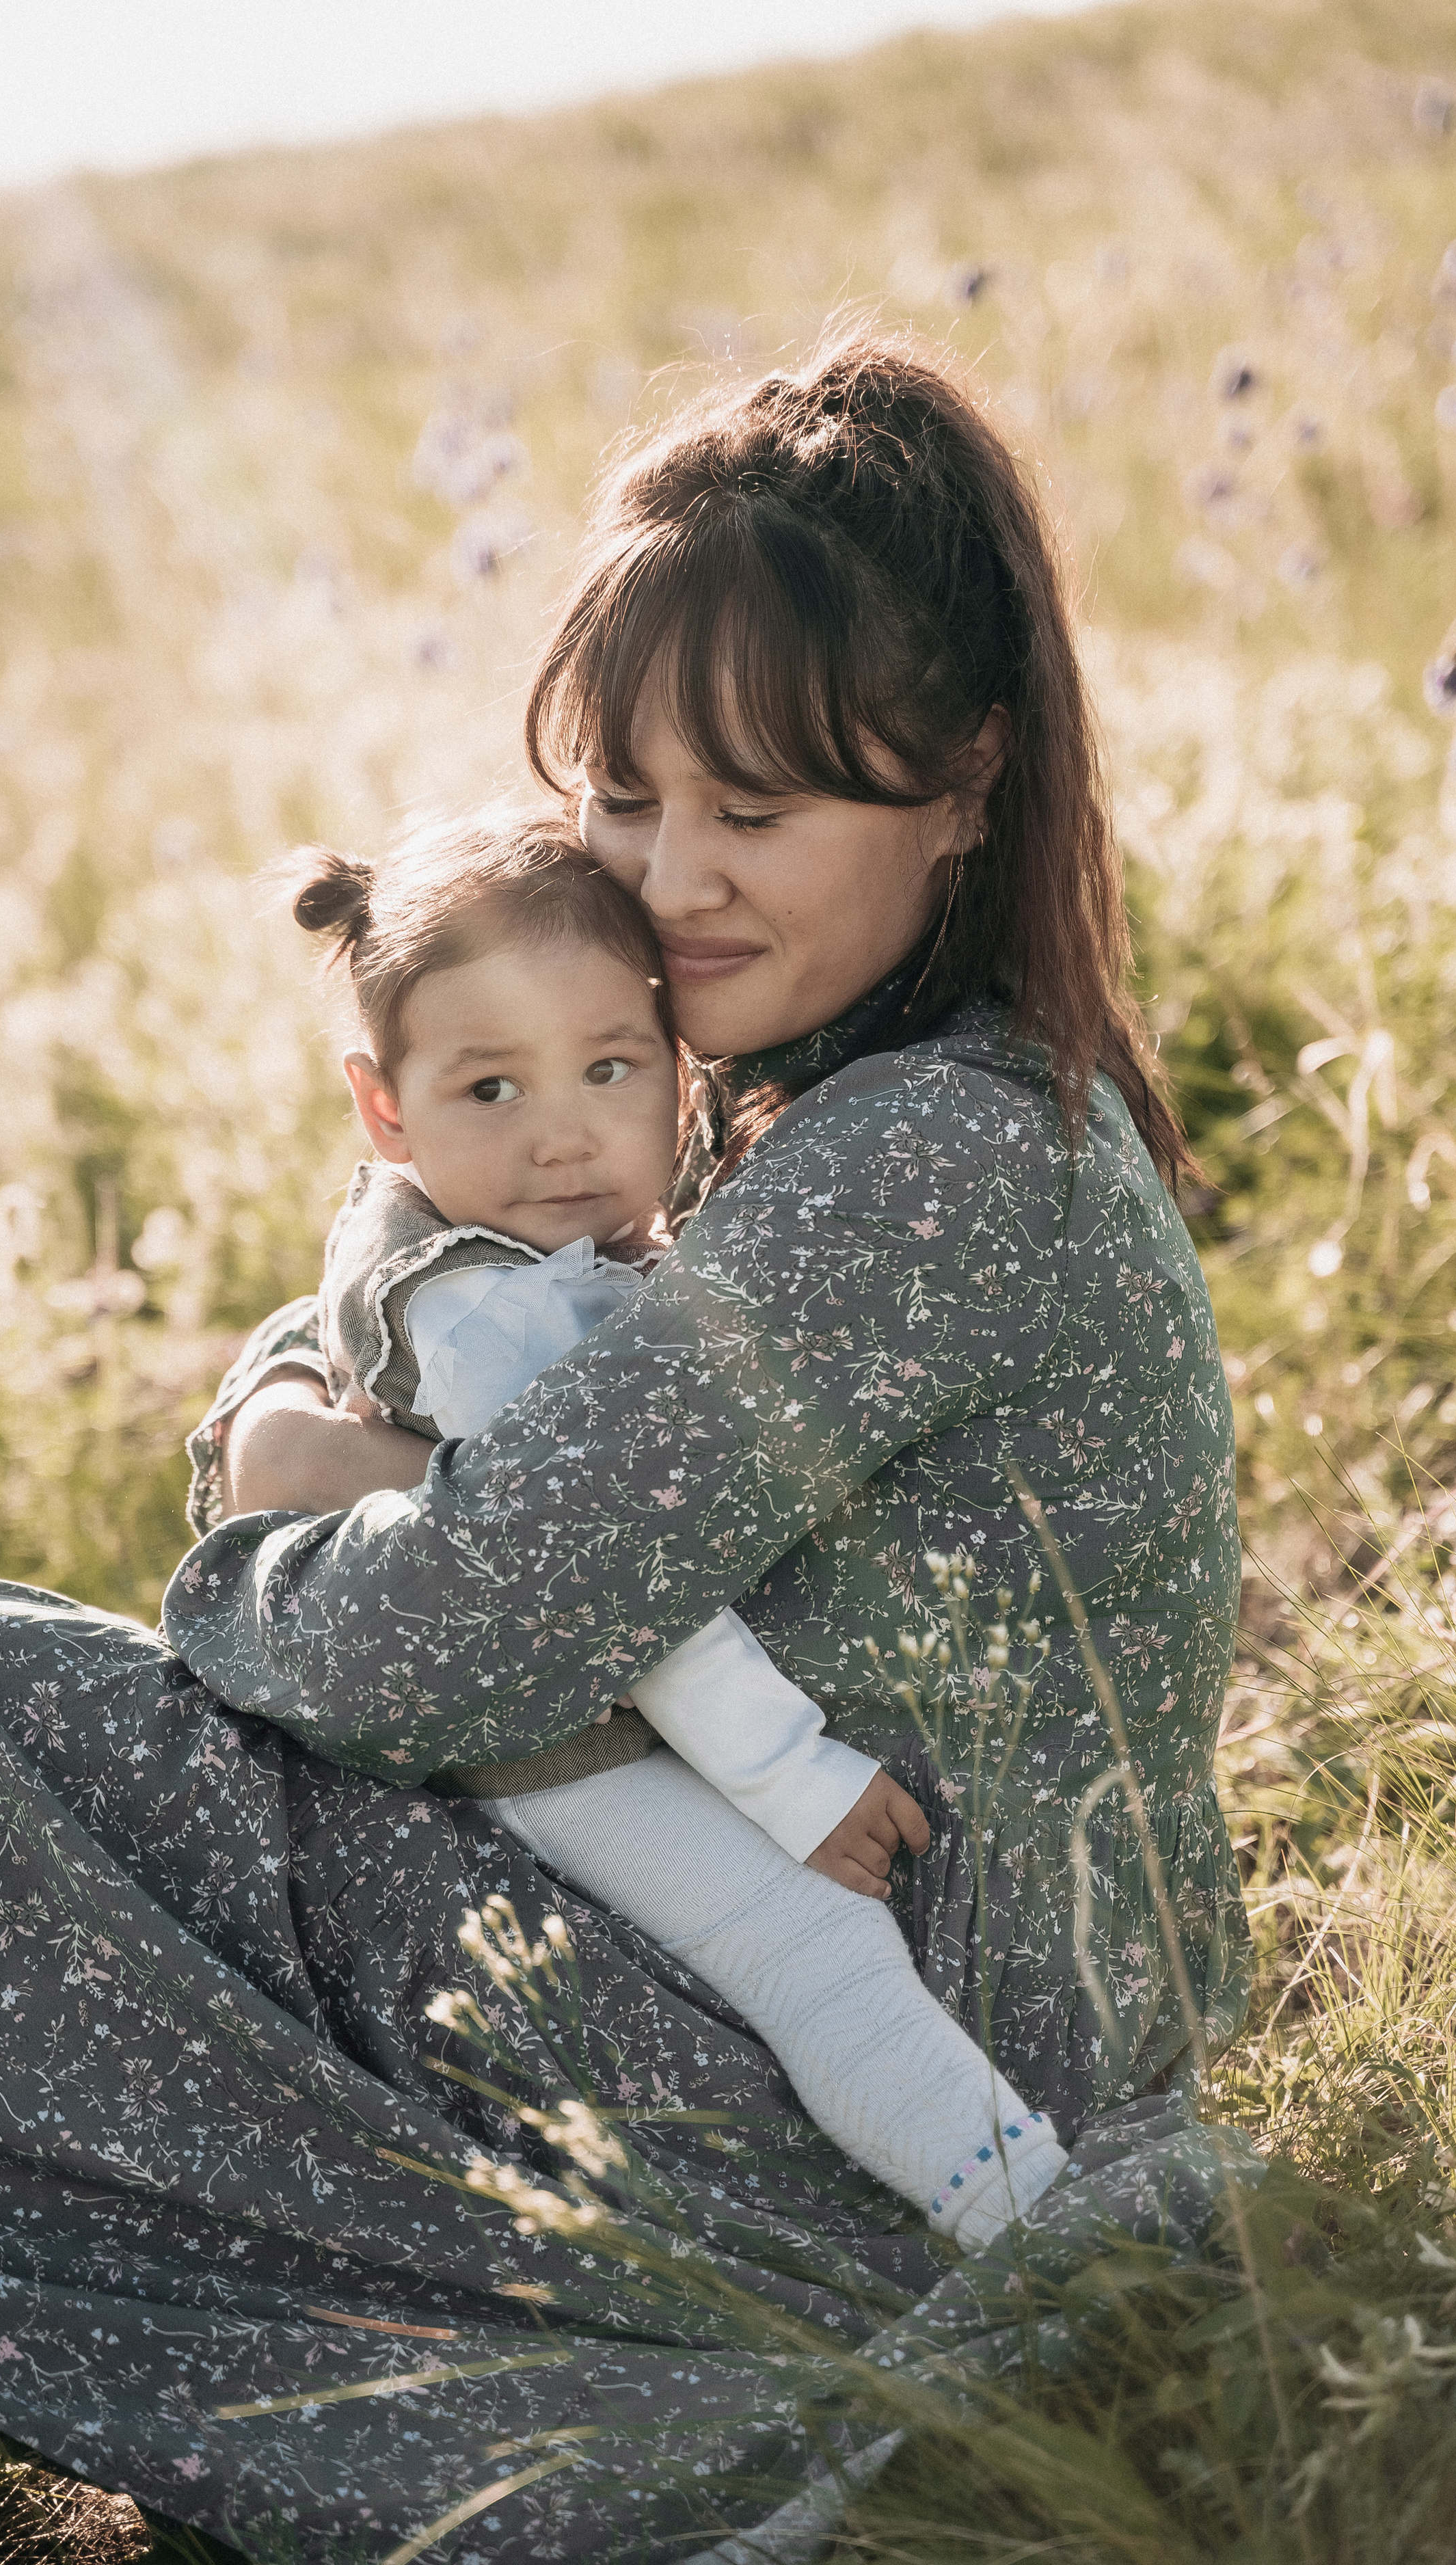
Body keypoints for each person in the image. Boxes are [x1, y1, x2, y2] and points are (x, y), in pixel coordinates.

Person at [0, 328, 1252, 2565]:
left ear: (968, 783)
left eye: (754, 816)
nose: (671, 881)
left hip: (879, 2088)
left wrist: (265, 1510)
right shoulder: (835, 1093)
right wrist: (296, 1423)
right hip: (794, 1974)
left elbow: (442, 1637)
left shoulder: (926, 1173)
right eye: (627, 801)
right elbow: (427, 1298)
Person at [217, 805, 1066, 2246]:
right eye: (489, 1089)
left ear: (679, 1070)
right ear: (385, 1108)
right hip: (563, 1730)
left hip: (566, 1684)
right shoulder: (480, 1305)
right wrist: (790, 1780)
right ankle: (1043, 2239)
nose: (562, 1136)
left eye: (606, 1068)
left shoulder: (528, 1238)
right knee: (813, 1943)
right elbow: (609, 1580)